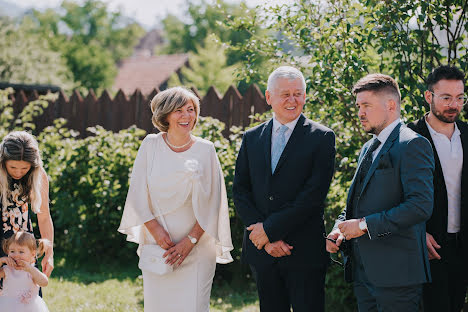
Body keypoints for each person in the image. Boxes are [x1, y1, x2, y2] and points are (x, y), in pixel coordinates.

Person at [118, 86, 233, 311]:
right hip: (159, 249)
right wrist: (155, 231)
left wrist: (189, 241)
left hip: (198, 249)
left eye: (191, 109)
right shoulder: (150, 146)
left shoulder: (206, 150)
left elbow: (214, 203)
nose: (187, 116)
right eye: (179, 110)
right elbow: (137, 195)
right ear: (165, 115)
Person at [326, 73, 435, 311]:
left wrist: (364, 225)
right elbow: (357, 201)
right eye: (358, 106)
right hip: (364, 271)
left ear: (391, 105)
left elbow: (420, 205)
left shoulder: (412, 144)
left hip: (398, 275)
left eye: (366, 105)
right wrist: (340, 228)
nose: (360, 112)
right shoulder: (368, 147)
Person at [233, 66, 336, 311]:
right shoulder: (251, 137)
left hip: (304, 251)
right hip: (263, 252)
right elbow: (240, 190)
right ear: (269, 98)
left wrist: (269, 230)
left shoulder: (322, 137)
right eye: (285, 94)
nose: (293, 100)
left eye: (298, 94)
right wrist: (264, 239)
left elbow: (313, 197)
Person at [407, 65, 468, 312]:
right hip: (427, 246)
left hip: (463, 246)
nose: (454, 105)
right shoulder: (408, 136)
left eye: (460, 98)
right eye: (446, 98)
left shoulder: (467, 133)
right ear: (428, 97)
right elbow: (394, 193)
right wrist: (416, 231)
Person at [0, 131, 54, 277]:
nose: (18, 172)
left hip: (23, 246)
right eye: (13, 167)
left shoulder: (38, 175)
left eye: (24, 168)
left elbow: (44, 217)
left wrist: (49, 254)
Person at [0, 231, 49, 311]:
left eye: (21, 252)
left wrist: (30, 269)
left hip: (30, 308)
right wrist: (1, 261)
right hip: (7, 306)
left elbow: (44, 282)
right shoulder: (7, 270)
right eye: (12, 251)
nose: (16, 255)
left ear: (32, 254)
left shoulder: (31, 271)